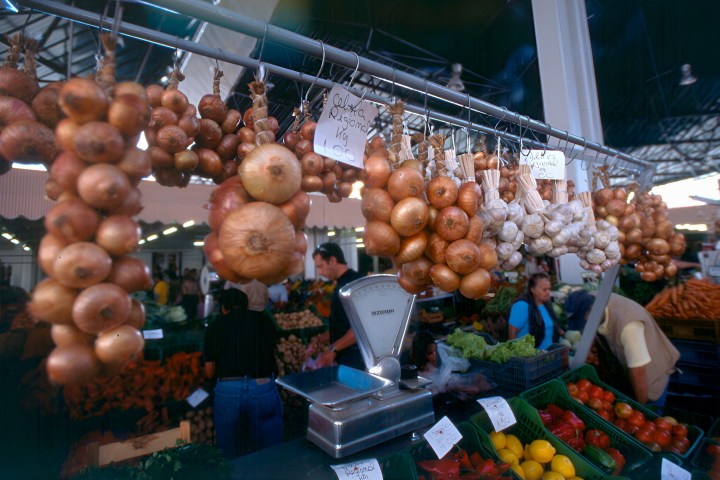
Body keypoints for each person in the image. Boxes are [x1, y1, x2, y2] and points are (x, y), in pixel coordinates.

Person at [203, 288, 282, 458]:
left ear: (224, 308)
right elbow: (273, 354)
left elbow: (209, 372)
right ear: (246, 305)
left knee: (229, 451)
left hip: (228, 390)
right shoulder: (264, 320)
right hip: (262, 386)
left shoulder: (215, 326)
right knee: (269, 450)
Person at [565, 292, 680, 406]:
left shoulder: (629, 328)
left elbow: (639, 373)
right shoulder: (593, 298)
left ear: (591, 312)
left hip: (652, 377)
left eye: (583, 322)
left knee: (650, 409)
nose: (583, 326)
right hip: (629, 370)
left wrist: (640, 411)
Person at [313, 242, 364, 370]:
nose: (319, 272)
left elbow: (361, 327)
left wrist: (333, 349)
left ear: (332, 261)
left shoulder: (353, 284)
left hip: (356, 359)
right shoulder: (341, 285)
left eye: (320, 266)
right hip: (346, 358)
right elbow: (343, 324)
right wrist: (322, 338)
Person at [508, 272, 562, 349]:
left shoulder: (546, 304)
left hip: (547, 356)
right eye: (544, 289)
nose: (548, 292)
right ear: (533, 289)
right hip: (530, 358)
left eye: (549, 289)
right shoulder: (522, 305)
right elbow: (512, 336)